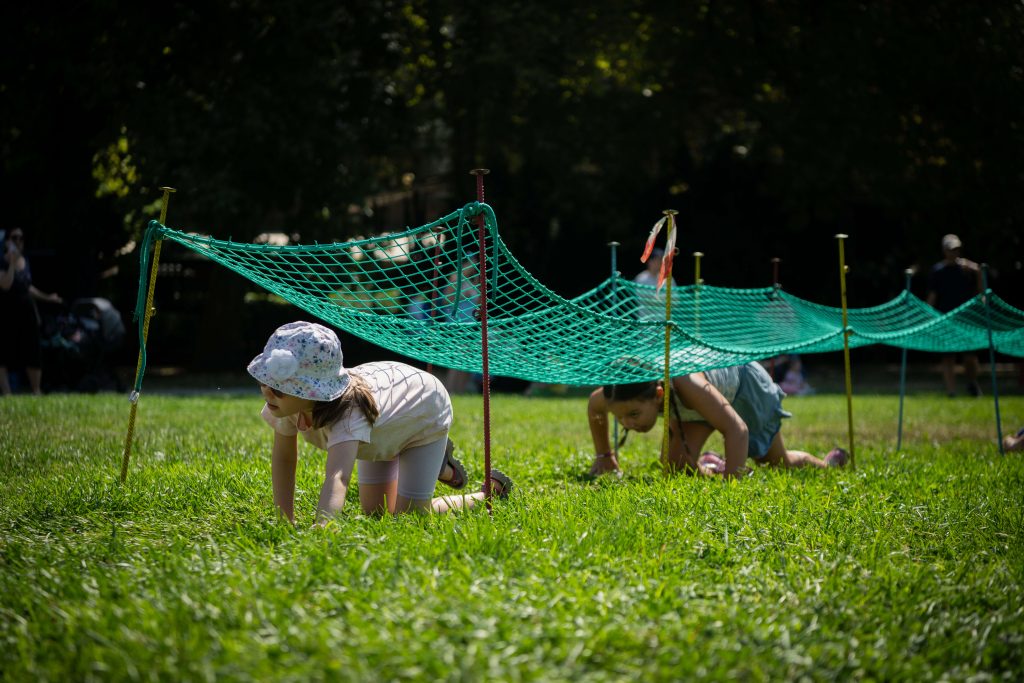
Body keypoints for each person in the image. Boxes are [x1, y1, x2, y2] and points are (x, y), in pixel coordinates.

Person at [248, 321, 512, 524]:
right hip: (385, 427)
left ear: (311, 392)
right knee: (376, 513)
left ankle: (488, 494)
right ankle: (438, 466)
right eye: (265, 382)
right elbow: (284, 459)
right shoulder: (284, 405)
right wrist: (285, 520)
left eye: (279, 388)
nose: (267, 392)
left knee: (409, 516)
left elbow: (338, 476)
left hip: (422, 412)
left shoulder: (349, 414)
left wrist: (324, 526)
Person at [585, 361, 848, 479]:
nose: (628, 423)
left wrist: (731, 485)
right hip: (697, 408)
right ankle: (715, 465)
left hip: (745, 389)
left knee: (778, 462)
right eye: (620, 417)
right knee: (675, 470)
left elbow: (737, 430)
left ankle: (828, 465)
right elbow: (594, 407)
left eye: (633, 414)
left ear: (658, 394)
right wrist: (605, 455)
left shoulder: (689, 385)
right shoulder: (618, 393)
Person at [1, 227, 63, 395]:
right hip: (7, 312)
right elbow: (5, 284)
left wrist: (48, 297)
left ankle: (36, 391)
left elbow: (27, 287)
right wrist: (12, 264)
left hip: (27, 311)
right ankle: (7, 394)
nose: (18, 241)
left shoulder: (25, 260)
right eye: (14, 238)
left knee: (32, 350)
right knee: (5, 351)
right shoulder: (2, 261)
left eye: (21, 238)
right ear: (7, 241)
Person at [926, 233, 983, 397]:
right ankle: (951, 391)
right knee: (948, 357)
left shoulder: (968, 269)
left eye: (957, 249)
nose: (954, 253)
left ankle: (972, 383)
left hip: (966, 318)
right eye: (951, 250)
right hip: (945, 318)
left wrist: (977, 270)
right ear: (944, 251)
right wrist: (928, 316)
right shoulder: (938, 271)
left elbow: (981, 291)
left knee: (970, 356)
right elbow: (932, 295)